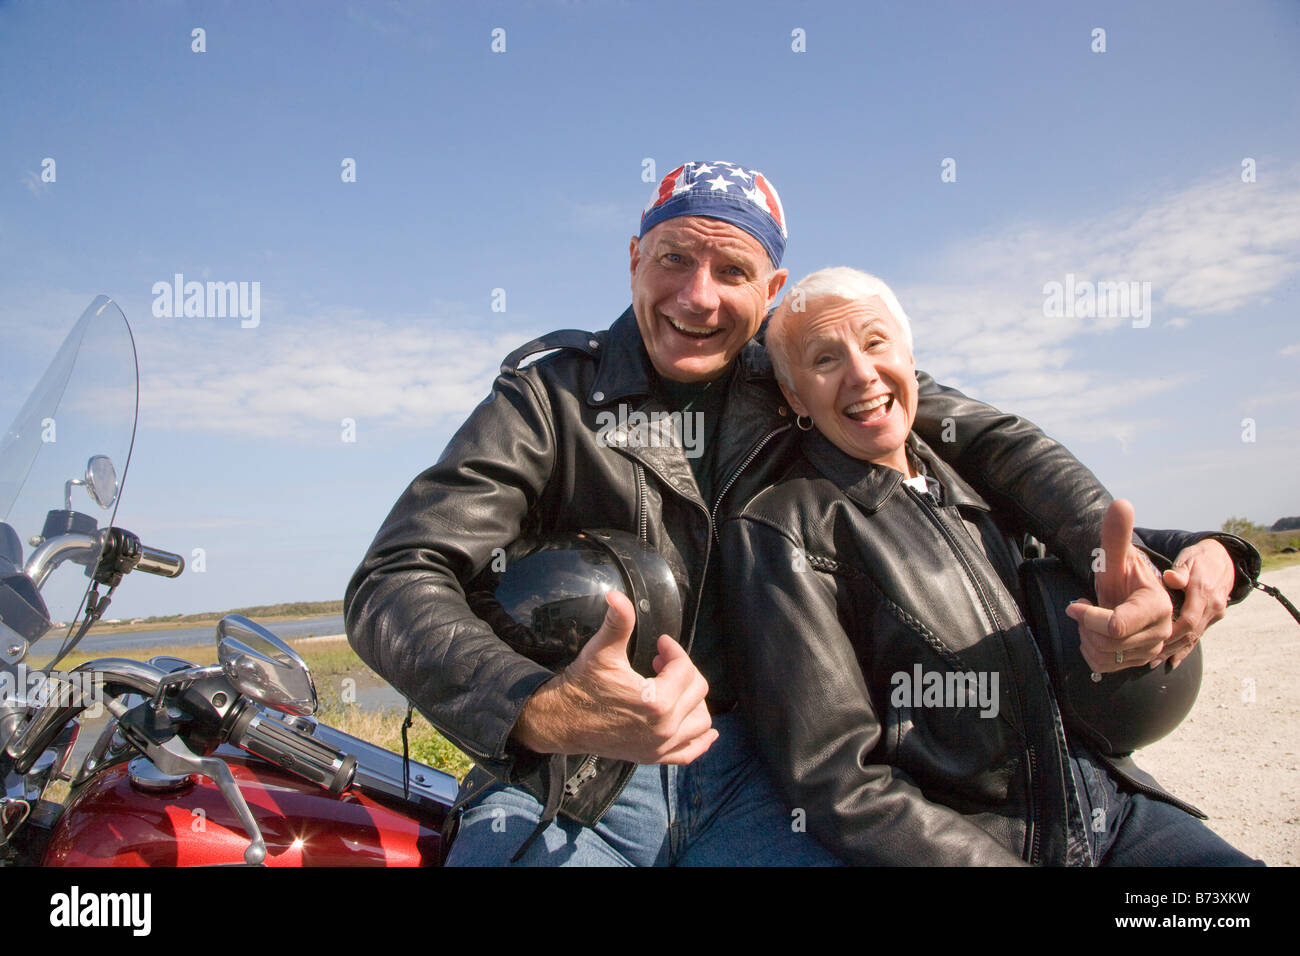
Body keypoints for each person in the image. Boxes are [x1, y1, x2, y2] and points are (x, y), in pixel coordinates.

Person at [345, 162, 1249, 865]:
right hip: (570, 778)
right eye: (673, 260)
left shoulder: (806, 371)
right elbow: (395, 581)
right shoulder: (550, 396)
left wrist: (1160, 553)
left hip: (759, 777)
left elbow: (994, 442)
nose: (696, 296)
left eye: (730, 269)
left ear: (769, 291)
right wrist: (541, 707)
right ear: (633, 260)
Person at [720, 266, 1261, 865]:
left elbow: (1099, 540)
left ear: (909, 354)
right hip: (986, 846)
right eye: (825, 360)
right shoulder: (782, 529)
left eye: (876, 343)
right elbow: (837, 782)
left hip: (1112, 809)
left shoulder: (971, 475)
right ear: (795, 396)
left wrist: (1217, 551)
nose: (861, 372)